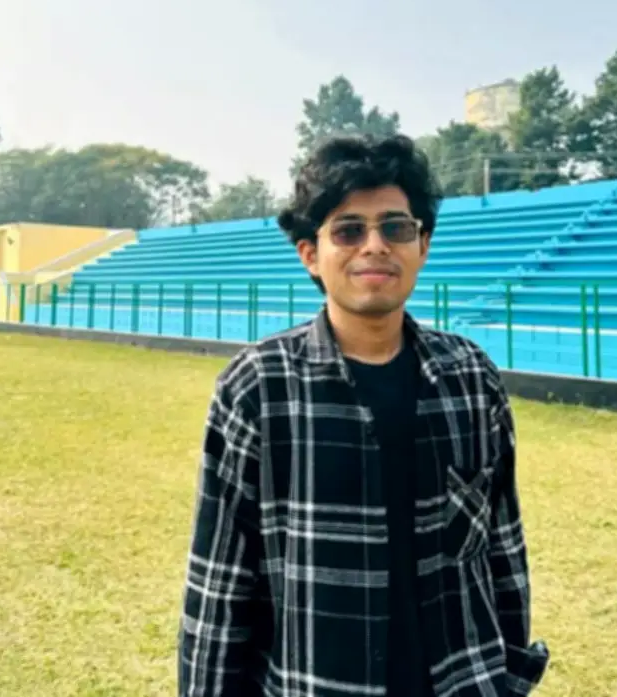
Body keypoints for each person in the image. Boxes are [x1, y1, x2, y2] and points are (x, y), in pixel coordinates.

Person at [177, 133, 549, 697]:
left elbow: (503, 551)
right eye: (349, 230)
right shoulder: (258, 388)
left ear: (422, 244)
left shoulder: (472, 379)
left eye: (395, 227)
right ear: (310, 253)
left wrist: (510, 673)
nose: (374, 245)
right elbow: (220, 583)